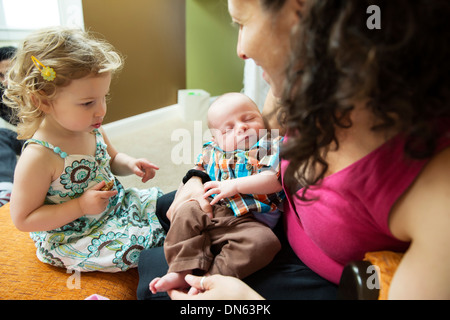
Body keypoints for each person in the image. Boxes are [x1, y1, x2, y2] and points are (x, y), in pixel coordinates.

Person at [138, 0, 450, 300]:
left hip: (313, 273)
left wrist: (247, 302)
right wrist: (196, 177)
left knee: (154, 280)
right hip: (279, 215)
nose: (240, 50)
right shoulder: (296, 93)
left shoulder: (435, 191)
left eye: (242, 23)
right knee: (167, 208)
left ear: (305, 22)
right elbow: (240, 150)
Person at [3, 27, 165, 272]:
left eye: (104, 97)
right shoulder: (39, 156)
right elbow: (23, 219)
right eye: (88, 102)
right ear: (42, 101)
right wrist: (79, 207)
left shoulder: (92, 127)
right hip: (77, 233)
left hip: (115, 207)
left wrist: (129, 163)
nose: (101, 110)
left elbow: (111, 160)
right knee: (141, 248)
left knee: (170, 203)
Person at [149, 93, 284, 294]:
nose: (242, 127)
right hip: (215, 210)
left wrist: (235, 185)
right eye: (228, 129)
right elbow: (197, 169)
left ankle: (211, 278)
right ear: (216, 139)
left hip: (250, 222)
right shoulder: (213, 150)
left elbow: (275, 181)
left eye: (249, 119)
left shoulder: (269, 145)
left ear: (263, 119)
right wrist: (193, 185)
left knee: (265, 243)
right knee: (184, 211)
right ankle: (181, 269)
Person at [0, 46, 24, 207]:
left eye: (9, 73)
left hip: (47, 139)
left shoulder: (41, 90)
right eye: (1, 76)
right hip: (25, 138)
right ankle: (6, 189)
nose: (5, 81)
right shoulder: (3, 95)